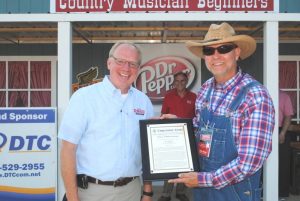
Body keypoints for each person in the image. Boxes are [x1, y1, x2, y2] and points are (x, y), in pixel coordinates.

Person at [166, 22, 275, 201]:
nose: (216, 56)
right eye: (209, 51)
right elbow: (199, 130)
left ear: (237, 52)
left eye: (223, 48)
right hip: (203, 191)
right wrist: (177, 125)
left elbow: (249, 164)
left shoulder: (255, 96)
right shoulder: (206, 89)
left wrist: (203, 179)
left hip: (235, 193)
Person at [58, 42, 154, 201]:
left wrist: (148, 192)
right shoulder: (84, 98)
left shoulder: (143, 102)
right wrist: (72, 198)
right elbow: (67, 150)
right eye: (120, 61)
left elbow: (148, 152)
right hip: (91, 193)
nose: (126, 68)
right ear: (109, 63)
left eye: (132, 64)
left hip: (132, 191)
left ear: (138, 68)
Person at [158, 71, 196, 201]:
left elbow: (197, 117)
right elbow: (163, 116)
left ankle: (180, 192)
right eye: (177, 81)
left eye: (182, 81)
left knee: (185, 166)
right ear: (174, 82)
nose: (180, 83)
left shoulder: (194, 96)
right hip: (171, 137)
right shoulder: (168, 96)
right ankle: (165, 194)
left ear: (187, 82)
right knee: (169, 165)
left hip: (188, 136)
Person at [279, 90, 293, 198]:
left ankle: (282, 193)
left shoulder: (284, 96)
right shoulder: (260, 94)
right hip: (262, 130)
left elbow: (288, 116)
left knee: (282, 163)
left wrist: (283, 133)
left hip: (280, 131)